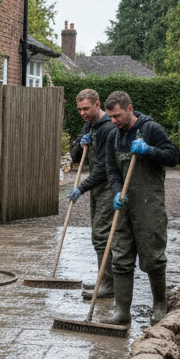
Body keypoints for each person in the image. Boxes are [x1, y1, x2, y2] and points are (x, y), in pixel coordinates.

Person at [102, 90, 180, 325]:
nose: (114, 121)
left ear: (129, 108)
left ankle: (159, 305)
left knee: (153, 257)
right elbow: (111, 170)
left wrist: (149, 150)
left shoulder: (150, 129)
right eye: (110, 117)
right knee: (121, 257)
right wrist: (116, 191)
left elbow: (174, 156)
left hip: (149, 205)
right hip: (123, 205)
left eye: (117, 116)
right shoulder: (112, 136)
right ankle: (122, 312)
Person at [67, 89, 115, 299]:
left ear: (97, 105)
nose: (82, 113)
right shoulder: (90, 125)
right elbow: (74, 155)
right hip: (96, 187)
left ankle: (108, 284)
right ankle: (103, 280)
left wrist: (81, 188)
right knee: (98, 234)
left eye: (86, 108)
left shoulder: (107, 127)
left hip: (107, 187)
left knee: (102, 236)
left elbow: (103, 170)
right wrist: (81, 143)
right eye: (79, 109)